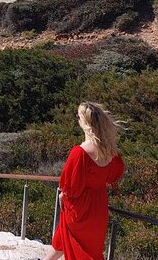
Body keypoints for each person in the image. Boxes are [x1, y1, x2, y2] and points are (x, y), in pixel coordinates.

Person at [43, 102, 125, 260]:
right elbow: (114, 175)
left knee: (76, 244)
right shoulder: (110, 151)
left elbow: (71, 188)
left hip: (81, 208)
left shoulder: (80, 152)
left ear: (85, 122)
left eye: (78, 117)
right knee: (79, 243)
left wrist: (63, 196)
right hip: (99, 206)